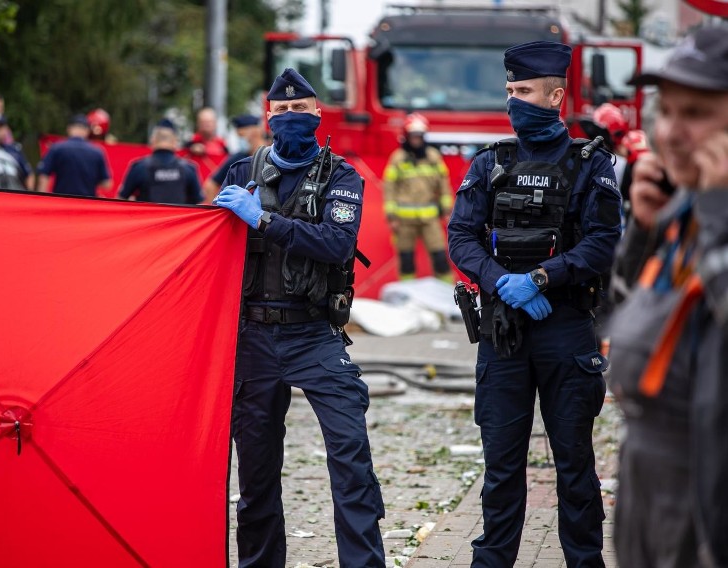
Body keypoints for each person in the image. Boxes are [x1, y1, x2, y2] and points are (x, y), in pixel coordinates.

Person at [447, 41, 623, 567]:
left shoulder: (590, 165)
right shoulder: (491, 162)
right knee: (501, 466)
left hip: (566, 328)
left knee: (573, 462)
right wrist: (502, 282)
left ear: (555, 96)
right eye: (509, 92)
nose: (513, 101)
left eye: (523, 91)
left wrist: (544, 278)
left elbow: (604, 240)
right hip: (504, 332)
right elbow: (461, 236)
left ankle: (584, 561)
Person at [213, 68, 386, 568]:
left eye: (299, 111)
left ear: (317, 116)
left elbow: (337, 245)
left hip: (314, 334)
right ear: (268, 118)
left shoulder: (341, 176)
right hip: (254, 337)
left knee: (351, 457)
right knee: (256, 476)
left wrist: (263, 220)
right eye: (281, 111)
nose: (290, 118)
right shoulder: (241, 174)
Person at [607, 26, 728, 568]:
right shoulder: (687, 214)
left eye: (697, 113)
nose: (672, 133)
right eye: (666, 111)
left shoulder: (714, 214)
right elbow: (619, 322)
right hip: (653, 506)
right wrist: (644, 235)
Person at [383, 112, 452, 280]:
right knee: (406, 260)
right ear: (406, 136)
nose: (416, 139)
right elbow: (389, 188)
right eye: (413, 135)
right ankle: (407, 296)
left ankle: (448, 294)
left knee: (440, 258)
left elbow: (444, 185)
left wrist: (448, 210)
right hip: (404, 221)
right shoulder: (398, 159)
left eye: (419, 135)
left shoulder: (433, 157)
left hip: (430, 219)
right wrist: (391, 217)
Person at [117, 119, 202, 204]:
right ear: (175, 142)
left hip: (149, 217)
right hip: (180, 217)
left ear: (153, 141)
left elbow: (120, 201)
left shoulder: (139, 167)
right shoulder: (189, 169)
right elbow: (199, 205)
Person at [36, 114, 111, 196]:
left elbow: (44, 176)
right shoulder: (97, 152)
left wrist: (42, 199)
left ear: (69, 129)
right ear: (87, 131)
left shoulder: (57, 148)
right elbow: (107, 184)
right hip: (87, 203)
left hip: (61, 201)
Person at [202, 114, 264, 202]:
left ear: (255, 132)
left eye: (241, 135)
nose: (240, 140)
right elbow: (210, 186)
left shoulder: (273, 155)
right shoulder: (237, 159)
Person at [0, 113, 35, 190]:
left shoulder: (14, 150)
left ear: (6, 129)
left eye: (0, 127)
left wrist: (29, 195)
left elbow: (29, 175)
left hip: (13, 192)